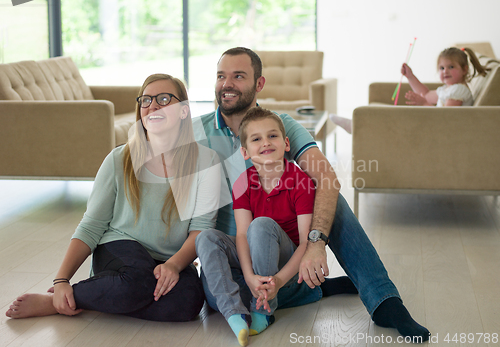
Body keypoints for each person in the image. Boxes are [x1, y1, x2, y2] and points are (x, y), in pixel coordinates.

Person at [194, 47, 430, 343]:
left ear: (259, 84)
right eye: (221, 76)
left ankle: (385, 302)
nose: (226, 84)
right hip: (235, 267)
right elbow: (177, 204)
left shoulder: (280, 124)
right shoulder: (195, 132)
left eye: (238, 76)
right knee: (221, 292)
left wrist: (316, 244)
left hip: (282, 256)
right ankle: (314, 289)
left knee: (328, 195)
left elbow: (327, 178)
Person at [6, 74, 223, 322]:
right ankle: (62, 299)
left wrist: (174, 265)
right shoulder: (119, 158)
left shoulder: (207, 162)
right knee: (137, 280)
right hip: (120, 247)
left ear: (184, 111)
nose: (152, 105)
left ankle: (99, 298)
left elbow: (201, 229)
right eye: (146, 100)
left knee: (188, 303)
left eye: (164, 99)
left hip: (167, 259)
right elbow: (92, 225)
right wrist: (62, 279)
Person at [226, 107, 357, 346]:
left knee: (261, 225)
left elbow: (306, 242)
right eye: (256, 139)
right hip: (259, 260)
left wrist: (276, 280)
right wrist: (248, 275)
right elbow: (242, 235)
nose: (266, 142)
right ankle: (307, 292)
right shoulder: (242, 183)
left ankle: (265, 310)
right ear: (245, 152)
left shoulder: (300, 181)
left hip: (291, 259)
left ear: (286, 143)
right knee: (217, 245)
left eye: (272, 136)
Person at [330, 47, 488, 134]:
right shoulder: (449, 89)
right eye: (441, 68)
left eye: (451, 67)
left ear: (465, 69)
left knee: (398, 119)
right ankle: (358, 125)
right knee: (396, 117)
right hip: (437, 125)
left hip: (442, 130)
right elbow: (426, 93)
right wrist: (410, 76)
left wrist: (424, 103)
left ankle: (357, 126)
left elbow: (445, 118)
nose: (445, 71)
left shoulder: (459, 91)